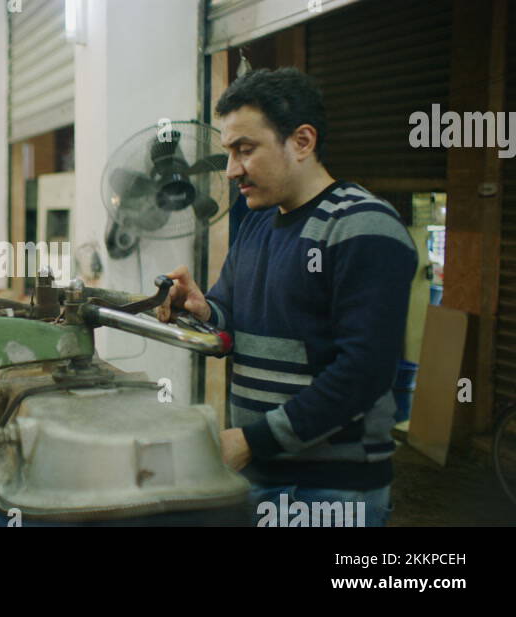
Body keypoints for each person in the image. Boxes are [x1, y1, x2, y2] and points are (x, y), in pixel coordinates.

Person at [158, 68, 417, 527]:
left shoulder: (361, 227)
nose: (232, 169)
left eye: (245, 150)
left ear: (301, 141)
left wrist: (252, 440)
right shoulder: (257, 223)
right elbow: (231, 318)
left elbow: (364, 373)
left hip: (332, 489)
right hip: (264, 473)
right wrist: (203, 310)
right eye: (228, 153)